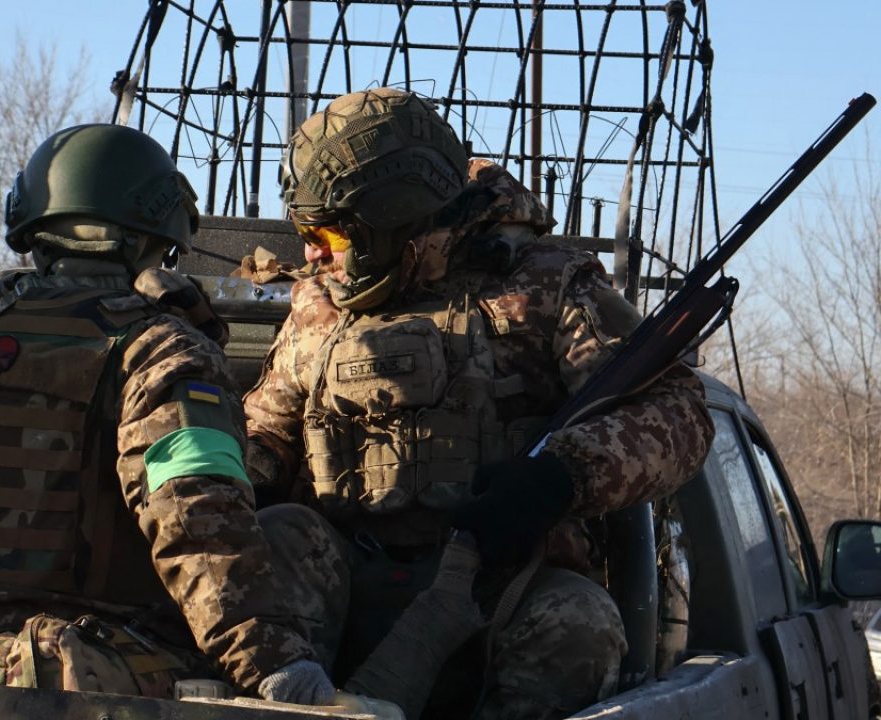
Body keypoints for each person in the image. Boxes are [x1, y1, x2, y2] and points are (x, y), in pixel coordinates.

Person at [245, 87, 715, 718]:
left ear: (397, 219)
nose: (310, 252)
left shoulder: (544, 285)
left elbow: (677, 412)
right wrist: (211, 489)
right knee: (269, 542)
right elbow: (263, 436)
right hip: (343, 578)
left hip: (504, 583)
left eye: (329, 231)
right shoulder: (318, 306)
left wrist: (563, 476)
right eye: (305, 230)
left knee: (579, 622)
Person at [0, 123, 335, 705]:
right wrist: (275, 663)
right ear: (156, 235)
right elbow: (198, 515)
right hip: (80, 669)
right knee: (299, 536)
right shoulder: (161, 350)